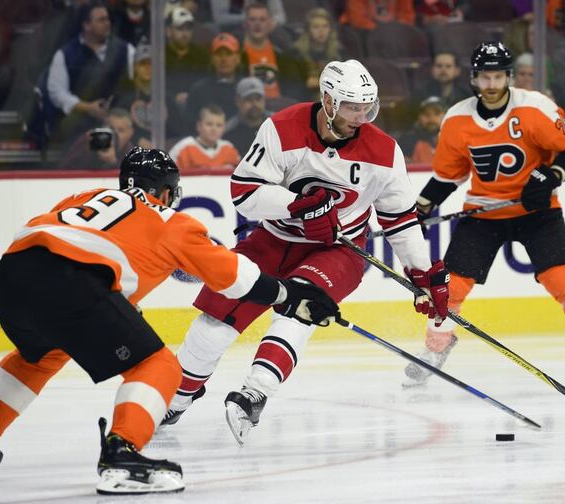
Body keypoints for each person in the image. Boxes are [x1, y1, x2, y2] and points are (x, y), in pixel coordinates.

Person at [0, 147, 337, 492]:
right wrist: (291, 293)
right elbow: (236, 278)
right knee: (158, 365)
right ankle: (121, 455)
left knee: (41, 354)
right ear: (167, 192)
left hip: (9, 276)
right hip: (73, 279)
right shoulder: (172, 220)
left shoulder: (86, 195)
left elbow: (69, 239)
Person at [160, 59, 450, 445]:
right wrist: (297, 205)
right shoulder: (282, 129)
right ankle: (178, 396)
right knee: (216, 318)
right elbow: (244, 193)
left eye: (367, 107)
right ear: (328, 101)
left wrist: (423, 274)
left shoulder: (383, 151)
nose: (361, 117)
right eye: (352, 107)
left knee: (301, 306)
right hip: (273, 240)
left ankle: (255, 392)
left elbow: (399, 220)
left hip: (338, 250)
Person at [403, 42, 565, 391]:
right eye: (484, 77)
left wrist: (552, 176)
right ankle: (436, 348)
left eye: (498, 76)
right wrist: (422, 204)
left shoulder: (534, 108)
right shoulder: (458, 119)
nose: (491, 85)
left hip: (537, 212)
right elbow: (449, 175)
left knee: (564, 281)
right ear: (474, 79)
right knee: (449, 287)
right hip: (483, 213)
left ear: (508, 77)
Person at [43, 0, 134, 145]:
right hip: (79, 123)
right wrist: (87, 108)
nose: (107, 23)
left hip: (118, 121)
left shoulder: (125, 50)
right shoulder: (66, 54)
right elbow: (57, 93)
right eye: (101, 20)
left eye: (107, 19)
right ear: (86, 25)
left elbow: (136, 83)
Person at [241, 2, 308, 101]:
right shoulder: (237, 53)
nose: (257, 24)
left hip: (280, 107)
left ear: (270, 23)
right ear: (245, 23)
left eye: (262, 19)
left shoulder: (282, 51)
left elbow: (295, 86)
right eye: (252, 19)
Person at [164, 6, 210, 137]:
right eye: (179, 28)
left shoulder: (202, 56)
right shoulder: (160, 56)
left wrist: (192, 96)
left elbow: (207, 83)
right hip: (168, 111)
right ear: (168, 31)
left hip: (196, 109)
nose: (184, 33)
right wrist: (172, 97)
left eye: (188, 28)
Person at [186, 32, 245, 125]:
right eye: (219, 54)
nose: (223, 59)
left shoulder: (245, 89)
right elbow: (190, 125)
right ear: (212, 58)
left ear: (238, 58)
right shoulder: (199, 90)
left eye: (228, 54)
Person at [58, 108, 136, 168]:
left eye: (121, 130)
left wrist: (113, 163)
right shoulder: (88, 140)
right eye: (111, 128)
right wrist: (88, 152)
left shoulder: (133, 154)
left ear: (130, 133)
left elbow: (131, 182)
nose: (114, 134)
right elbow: (64, 169)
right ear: (103, 127)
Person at [292, 7, 344, 97]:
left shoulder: (339, 51)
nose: (321, 31)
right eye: (316, 27)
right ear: (308, 31)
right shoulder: (296, 52)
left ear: (330, 29)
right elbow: (293, 86)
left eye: (325, 26)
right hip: (305, 99)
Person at [170, 105, 241, 169]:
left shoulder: (229, 148)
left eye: (219, 125)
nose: (214, 129)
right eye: (209, 124)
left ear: (224, 128)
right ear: (199, 126)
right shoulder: (183, 147)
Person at [225, 76, 271, 154]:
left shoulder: (277, 125)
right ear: (238, 101)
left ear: (264, 99)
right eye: (248, 99)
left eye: (258, 99)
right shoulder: (228, 131)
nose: (254, 104)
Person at [399, 96, 446, 164]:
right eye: (426, 114)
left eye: (437, 113)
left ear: (445, 115)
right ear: (419, 117)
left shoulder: (454, 139)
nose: (431, 118)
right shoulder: (406, 140)